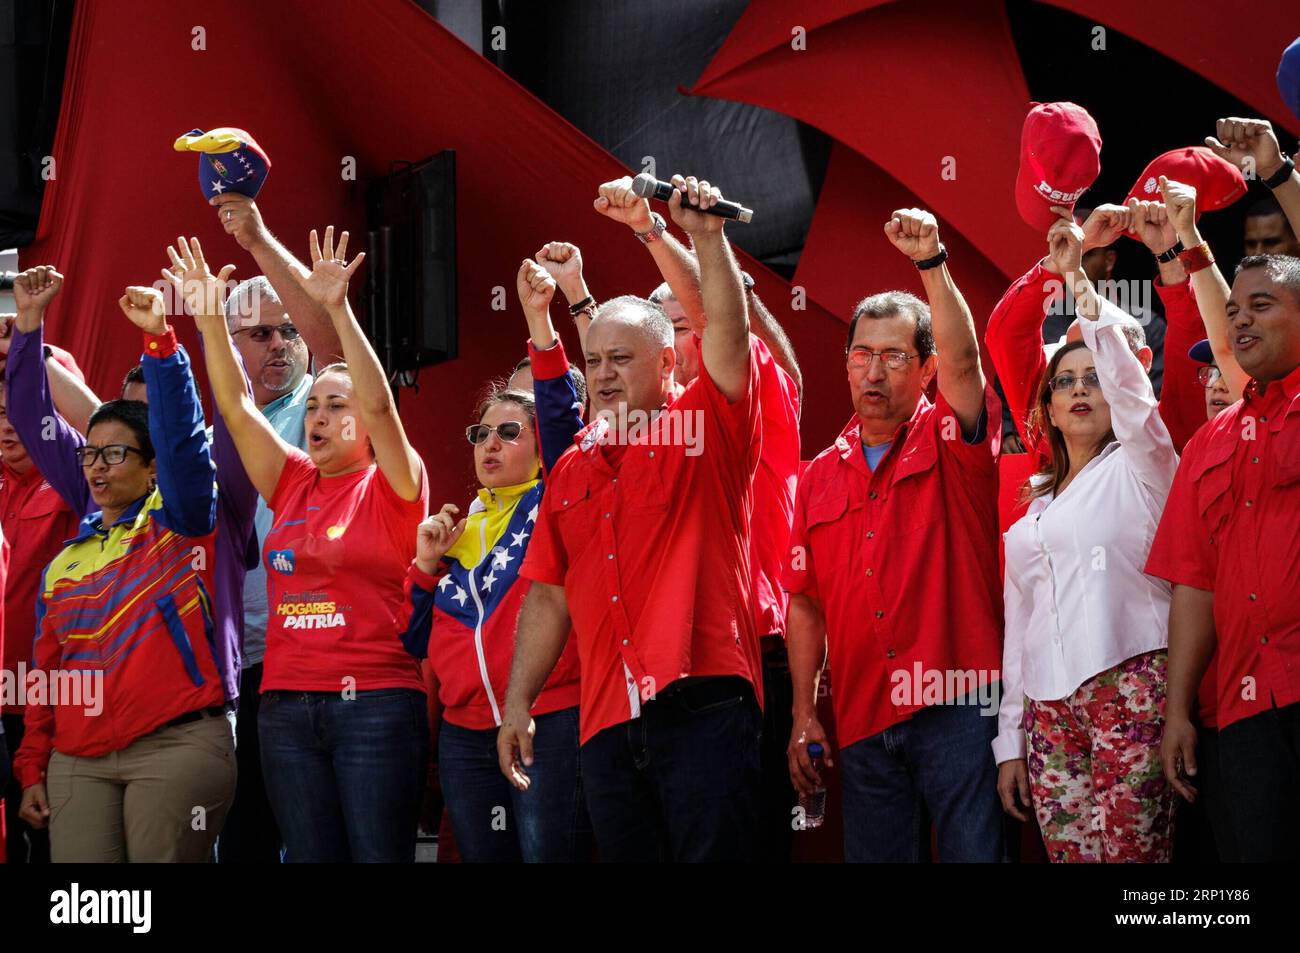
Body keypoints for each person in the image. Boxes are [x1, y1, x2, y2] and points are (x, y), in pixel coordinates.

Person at [497, 174, 763, 862]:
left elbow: (730, 336)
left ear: (670, 360)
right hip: (607, 718)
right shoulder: (574, 467)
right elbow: (549, 592)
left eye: (622, 358)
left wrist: (707, 238)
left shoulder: (705, 422)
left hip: (702, 698)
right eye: (594, 360)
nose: (605, 374)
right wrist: (518, 699)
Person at [172, 230, 429, 863]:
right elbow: (234, 406)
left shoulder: (397, 485)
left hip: (373, 704)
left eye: (333, 406)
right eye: (311, 406)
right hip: (284, 709)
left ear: (364, 423)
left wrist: (337, 310)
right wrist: (208, 316)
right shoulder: (290, 480)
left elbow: (379, 400)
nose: (316, 416)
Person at [784, 208, 1005, 863]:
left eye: (892, 357)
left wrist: (933, 262)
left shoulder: (950, 438)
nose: (873, 373)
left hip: (960, 703)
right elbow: (804, 599)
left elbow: (970, 364)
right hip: (862, 713)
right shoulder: (819, 475)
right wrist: (803, 711)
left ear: (926, 368)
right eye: (861, 355)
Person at [593, 174, 804, 861]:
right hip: (651, 682)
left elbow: (725, 322)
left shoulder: (735, 402)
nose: (679, 341)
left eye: (682, 323)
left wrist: (662, 233)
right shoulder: (638, 433)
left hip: (752, 658)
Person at [12, 280, 236, 862]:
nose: (97, 467)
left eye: (117, 454)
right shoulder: (67, 562)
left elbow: (183, 441)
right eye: (90, 454)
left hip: (176, 740)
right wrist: (32, 762)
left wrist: (161, 341)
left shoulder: (182, 517)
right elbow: (47, 673)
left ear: (153, 467)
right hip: (78, 758)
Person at [993, 211, 1178, 862]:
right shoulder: (1035, 504)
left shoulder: (1146, 461)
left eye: (1093, 374)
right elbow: (1023, 620)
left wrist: (1077, 280)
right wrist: (1010, 737)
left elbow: (1131, 392)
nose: (1079, 386)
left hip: (1129, 687)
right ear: (1045, 404)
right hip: (1047, 708)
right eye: (1063, 380)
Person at [400, 258, 588, 862]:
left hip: (547, 715)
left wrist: (539, 320)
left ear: (540, 447)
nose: (491, 444)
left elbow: (562, 415)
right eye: (481, 434)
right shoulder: (457, 528)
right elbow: (415, 639)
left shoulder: (558, 493)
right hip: (463, 732)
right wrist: (425, 567)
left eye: (509, 433)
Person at [1147, 253, 1300, 862]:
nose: (1240, 321)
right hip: (1242, 706)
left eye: (1261, 306)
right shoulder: (1208, 442)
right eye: (1232, 311)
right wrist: (1178, 709)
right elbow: (1194, 583)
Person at [209, 195, 346, 864]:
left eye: (286, 330)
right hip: (233, 667)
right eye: (260, 333)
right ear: (228, 343)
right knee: (244, 842)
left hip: (313, 662)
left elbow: (331, 336)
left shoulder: (325, 402)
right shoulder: (213, 428)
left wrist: (257, 236)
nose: (281, 344)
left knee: (317, 844)